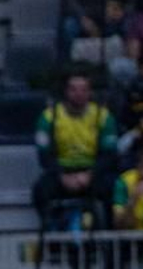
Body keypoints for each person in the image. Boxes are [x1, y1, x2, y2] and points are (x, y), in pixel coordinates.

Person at [33, 72, 119, 232]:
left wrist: (90, 174)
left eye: (84, 89)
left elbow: (109, 155)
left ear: (90, 92)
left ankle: (110, 242)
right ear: (65, 92)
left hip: (93, 172)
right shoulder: (48, 117)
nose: (79, 94)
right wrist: (62, 175)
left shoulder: (103, 116)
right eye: (73, 89)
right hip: (61, 172)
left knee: (113, 188)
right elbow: (44, 155)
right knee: (40, 191)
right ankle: (52, 238)